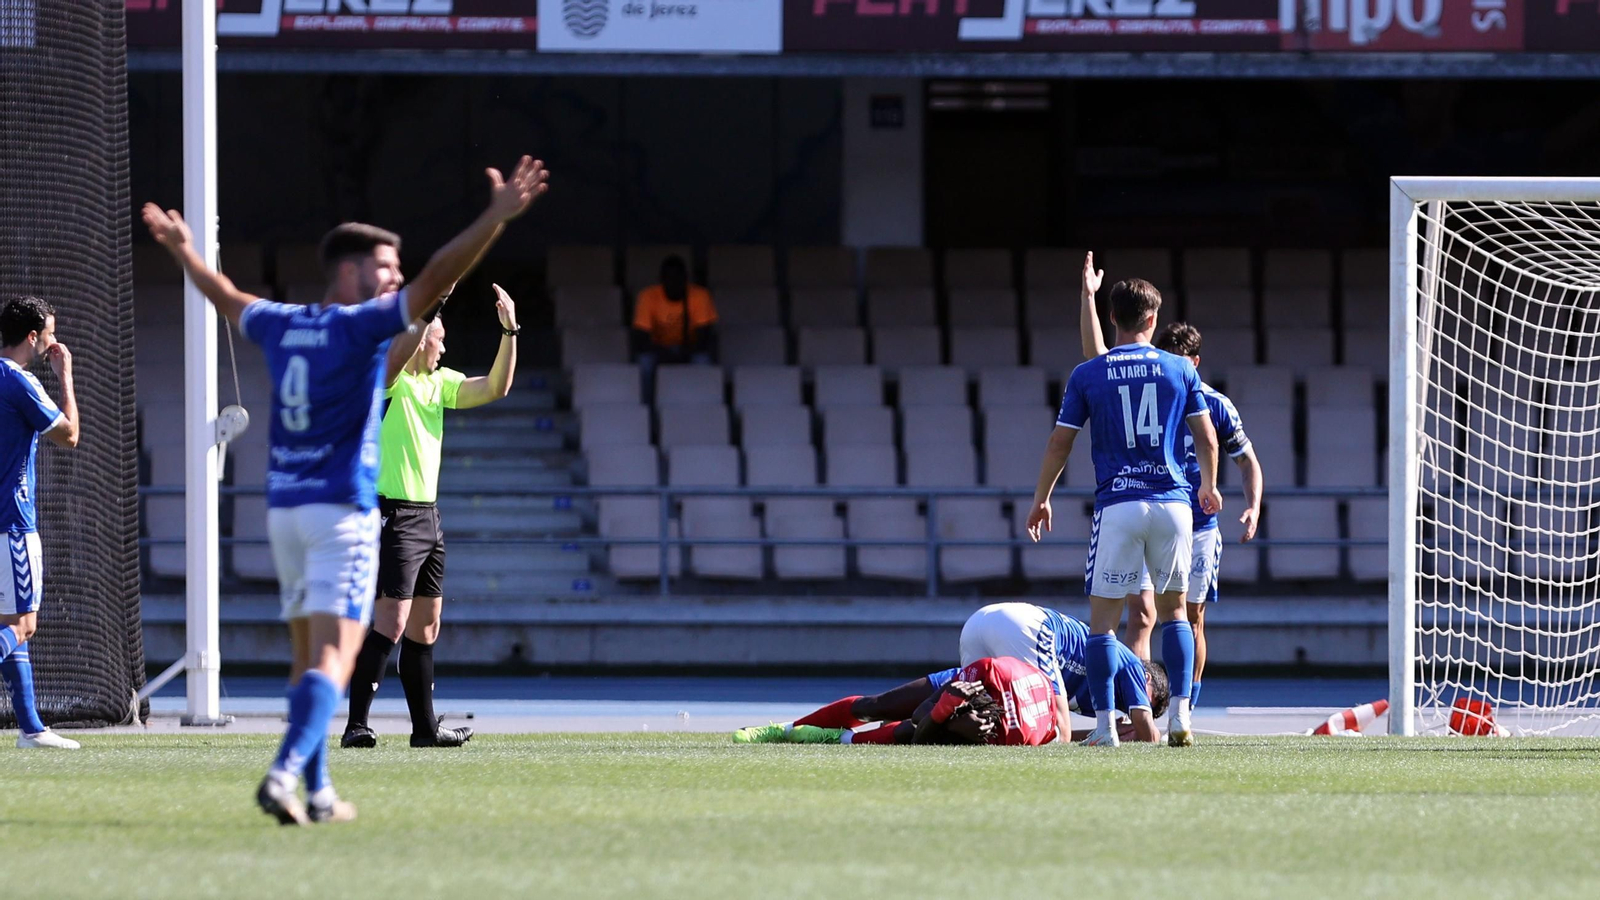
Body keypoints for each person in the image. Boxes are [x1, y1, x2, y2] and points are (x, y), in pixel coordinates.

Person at [142, 154, 548, 825]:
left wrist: (186, 253)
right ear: (352, 272)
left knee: (308, 658)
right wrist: (495, 218)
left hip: (286, 510)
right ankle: (281, 776)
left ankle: (321, 791)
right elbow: (439, 274)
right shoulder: (362, 329)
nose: (393, 276)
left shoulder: (280, 320)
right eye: (385, 266)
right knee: (336, 657)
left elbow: (224, 297)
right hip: (344, 512)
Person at [1027, 258, 1222, 749]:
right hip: (1173, 504)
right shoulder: (1180, 367)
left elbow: (1059, 443)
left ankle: (1107, 726)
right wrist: (1210, 486)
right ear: (1153, 320)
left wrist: (1041, 498)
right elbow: (1207, 439)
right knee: (1177, 613)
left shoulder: (1089, 374)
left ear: (1113, 317)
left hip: (1119, 504)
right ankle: (1180, 717)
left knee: (1103, 625)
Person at [340, 283, 522, 750]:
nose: (445, 345)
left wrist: (510, 330)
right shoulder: (394, 379)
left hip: (427, 517)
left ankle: (425, 729)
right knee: (392, 622)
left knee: (426, 625)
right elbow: (395, 357)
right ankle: (356, 723)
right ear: (422, 339)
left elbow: (497, 386)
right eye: (439, 337)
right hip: (395, 514)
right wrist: (431, 305)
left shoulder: (437, 384)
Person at [1080, 253, 1264, 713]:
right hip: (1153, 507)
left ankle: (1187, 707)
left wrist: (1250, 504)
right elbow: (1099, 360)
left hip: (1195, 523)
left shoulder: (1214, 404)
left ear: (1193, 364)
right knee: (1141, 615)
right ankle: (1139, 706)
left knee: (1190, 617)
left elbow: (1246, 461)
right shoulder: (1147, 379)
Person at [0, 296, 80, 750]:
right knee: (24, 625)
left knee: (8, 620)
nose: (52, 340)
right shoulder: (20, 382)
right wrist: (65, 376)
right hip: (11, 521)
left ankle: (31, 728)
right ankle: (32, 728)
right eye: (49, 333)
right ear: (33, 337)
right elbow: (69, 435)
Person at [735, 657, 1056, 746]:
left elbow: (920, 733)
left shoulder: (1008, 739)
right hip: (990, 681)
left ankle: (841, 738)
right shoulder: (985, 671)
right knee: (876, 706)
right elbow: (921, 713)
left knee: (911, 735)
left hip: (999, 702)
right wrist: (945, 704)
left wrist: (942, 714)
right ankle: (784, 728)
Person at [631, 255, 717, 396]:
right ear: (661, 280)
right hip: (658, 348)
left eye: (679, 279)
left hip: (690, 347)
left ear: (686, 279)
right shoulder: (647, 296)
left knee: (703, 361)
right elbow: (641, 339)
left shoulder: (700, 296)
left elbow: (704, 337)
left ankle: (703, 402)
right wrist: (666, 354)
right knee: (644, 363)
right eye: (670, 279)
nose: (674, 283)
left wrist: (684, 353)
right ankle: (647, 407)